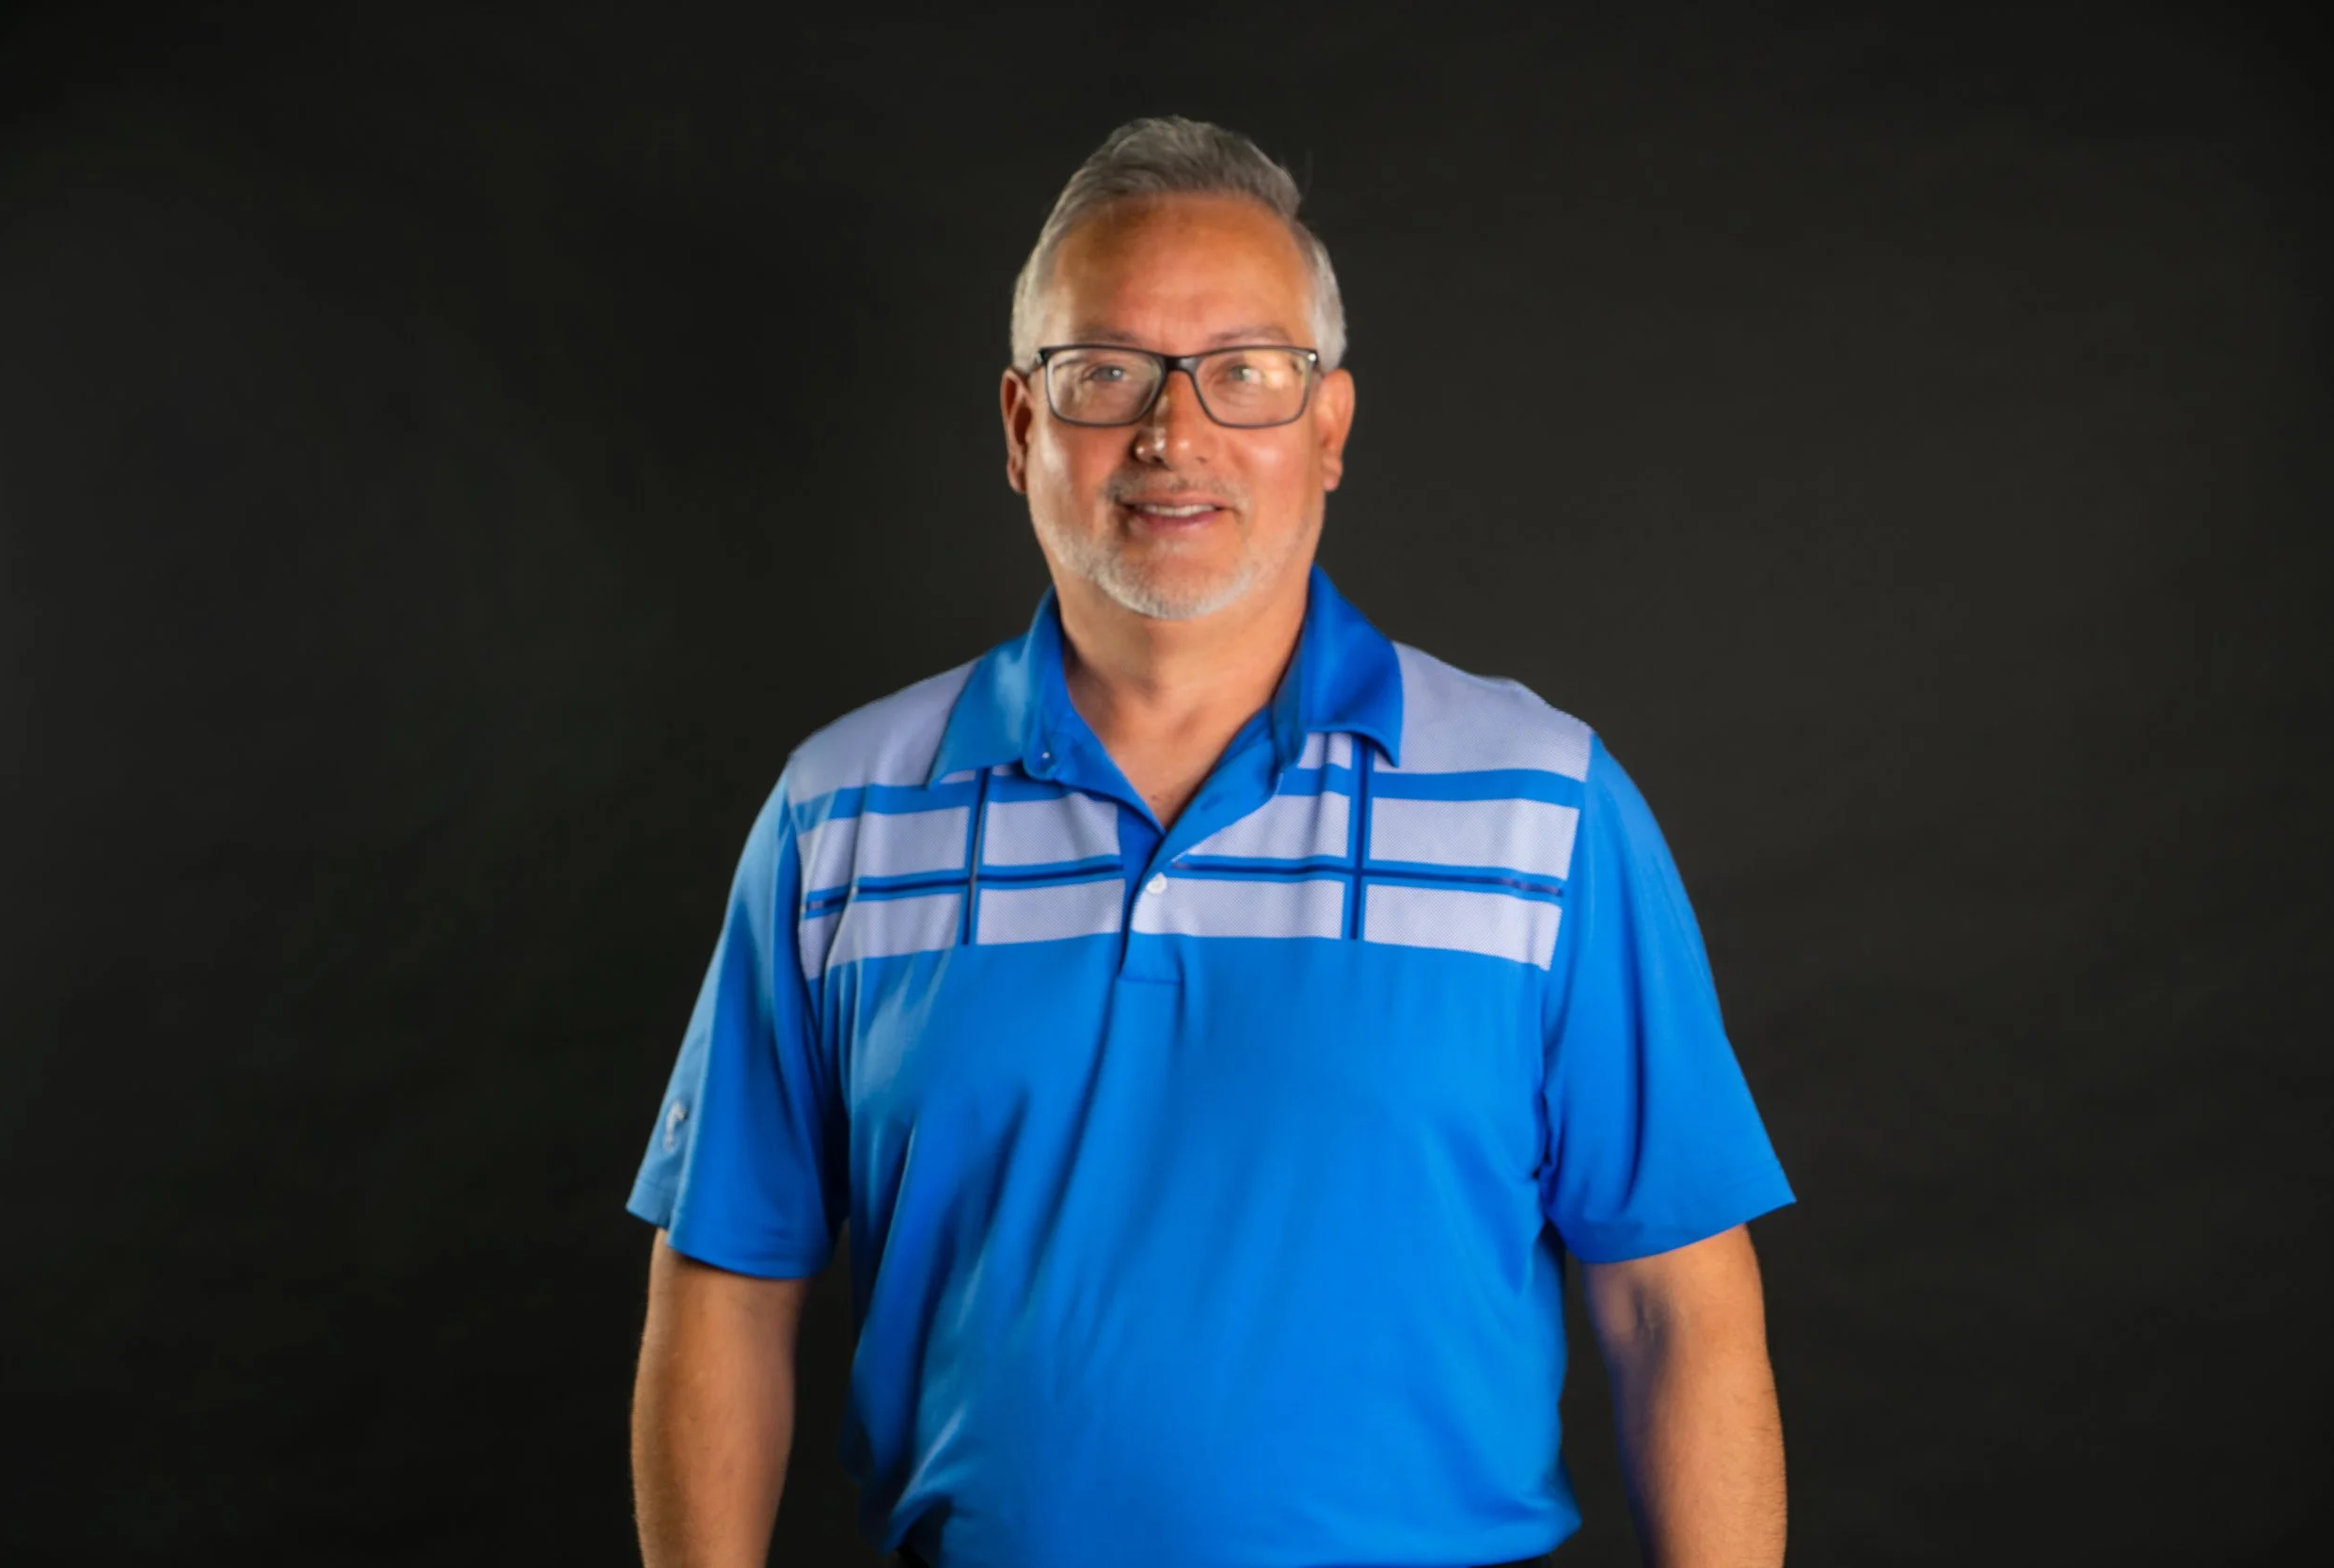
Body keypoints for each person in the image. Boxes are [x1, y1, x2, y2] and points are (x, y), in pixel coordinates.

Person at [627, 117, 1793, 1568]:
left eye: (1245, 372)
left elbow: (1679, 1303)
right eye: (1105, 372)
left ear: (1330, 427)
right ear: (1019, 428)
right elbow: (726, 1285)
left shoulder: (1540, 808)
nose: (1172, 434)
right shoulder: (840, 815)